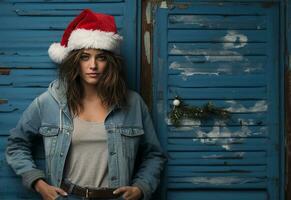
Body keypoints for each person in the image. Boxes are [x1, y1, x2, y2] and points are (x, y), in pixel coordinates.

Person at [5, 9, 167, 200]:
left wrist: (141, 188)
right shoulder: (50, 102)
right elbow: (16, 145)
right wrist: (39, 184)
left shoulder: (132, 103)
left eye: (101, 57)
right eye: (85, 57)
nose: (93, 65)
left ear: (110, 62)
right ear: (75, 61)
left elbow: (155, 155)